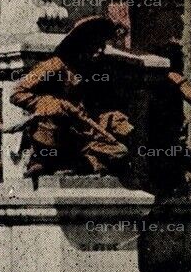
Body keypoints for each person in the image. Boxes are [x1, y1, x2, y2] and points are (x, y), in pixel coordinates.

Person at [10, 16, 133, 181]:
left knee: (119, 151)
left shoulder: (89, 69)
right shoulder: (55, 65)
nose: (100, 51)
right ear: (81, 45)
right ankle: (45, 159)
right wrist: (50, 104)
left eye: (102, 46)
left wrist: (110, 119)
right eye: (95, 46)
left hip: (81, 132)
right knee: (52, 115)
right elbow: (17, 93)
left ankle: (72, 163)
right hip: (54, 131)